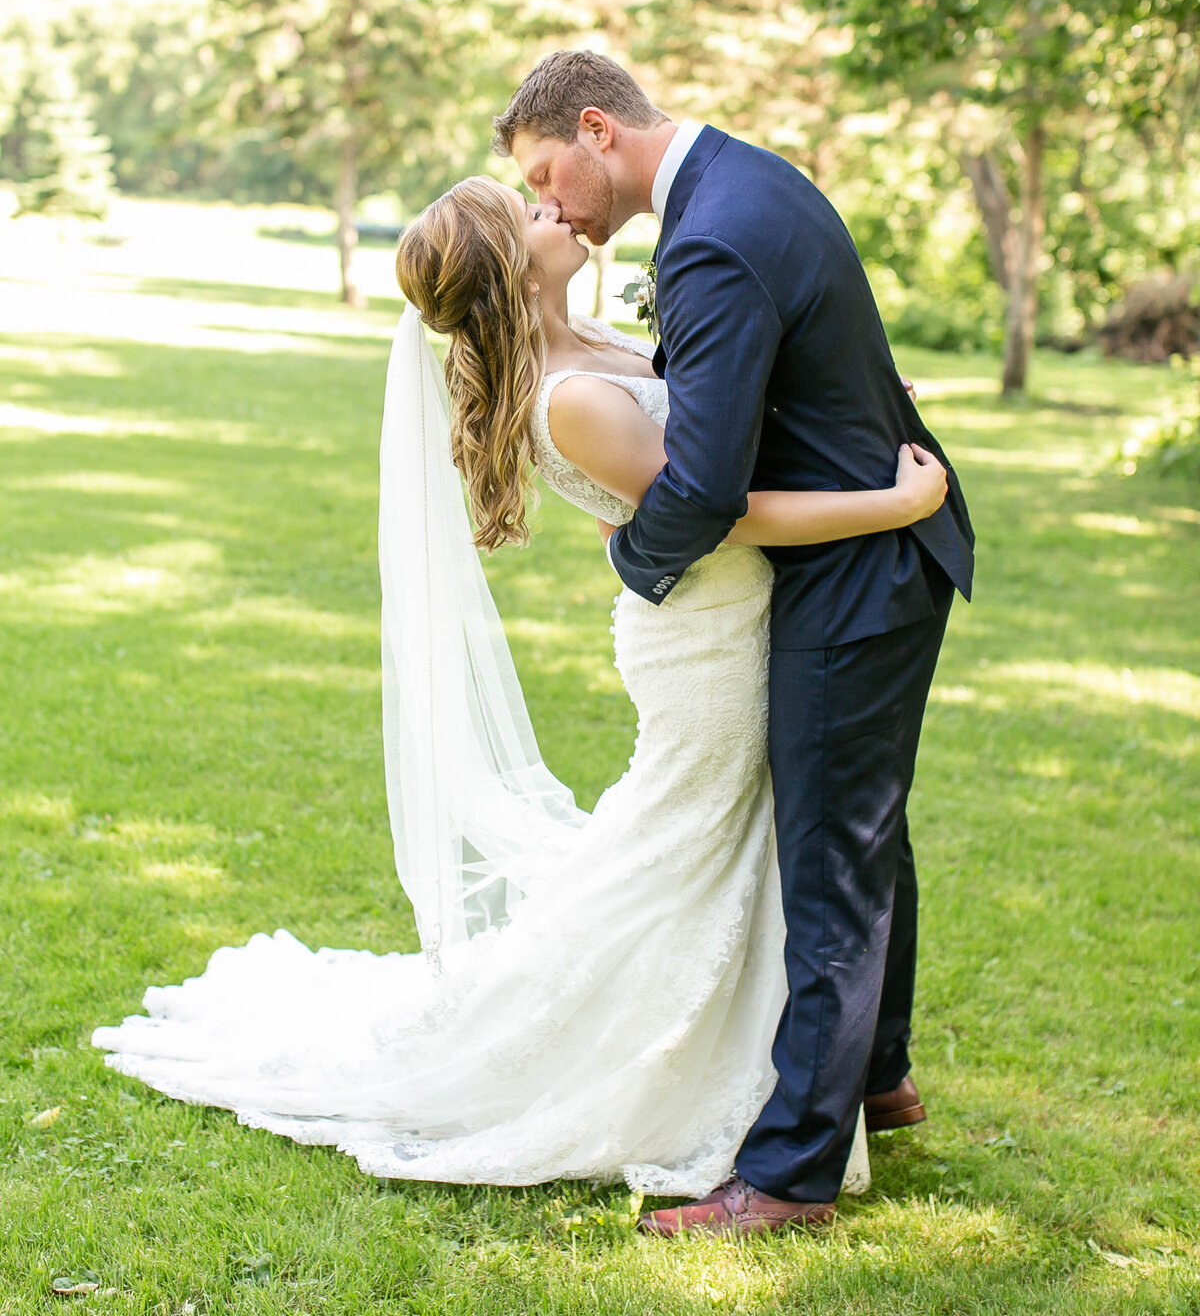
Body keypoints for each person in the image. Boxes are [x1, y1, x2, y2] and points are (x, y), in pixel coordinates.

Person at [92, 153, 950, 1208]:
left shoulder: (592, 347)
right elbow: (720, 508)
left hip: (727, 611)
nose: (553, 207)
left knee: (738, 846)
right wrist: (888, 507)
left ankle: (835, 1067)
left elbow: (725, 422)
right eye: (529, 209)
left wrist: (851, 407)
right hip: (708, 645)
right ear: (512, 265)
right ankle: (700, 1064)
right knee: (685, 849)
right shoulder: (571, 397)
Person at [496, 52, 974, 1234]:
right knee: (863, 828)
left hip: (853, 580)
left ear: (597, 129)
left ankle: (791, 1176)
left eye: (548, 174)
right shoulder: (753, 180)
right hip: (871, 561)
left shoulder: (707, 240)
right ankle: (878, 1074)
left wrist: (631, 555)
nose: (551, 204)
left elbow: (701, 487)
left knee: (829, 861)